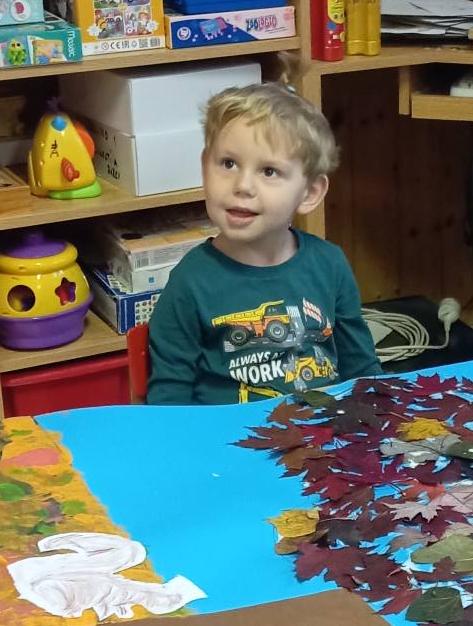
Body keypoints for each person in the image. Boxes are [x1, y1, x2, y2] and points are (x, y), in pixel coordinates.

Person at [146, 81, 378, 404]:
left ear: (310, 193)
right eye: (228, 164)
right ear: (204, 167)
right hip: (228, 434)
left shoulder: (330, 264)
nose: (242, 185)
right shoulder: (189, 282)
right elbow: (169, 400)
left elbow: (363, 373)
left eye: (269, 171)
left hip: (324, 429)